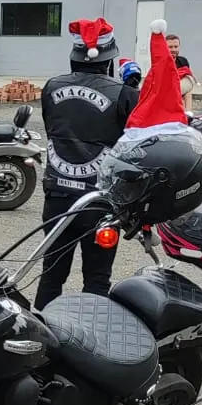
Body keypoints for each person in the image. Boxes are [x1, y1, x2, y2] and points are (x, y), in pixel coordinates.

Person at [34, 17, 139, 310]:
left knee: (51, 276)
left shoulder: (51, 87)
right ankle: (91, 347)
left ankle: (42, 341)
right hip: (101, 200)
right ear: (108, 59)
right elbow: (135, 143)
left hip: (57, 196)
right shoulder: (124, 94)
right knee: (96, 278)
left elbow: (50, 126)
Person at [165, 33, 197, 112]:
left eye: (176, 47)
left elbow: (188, 78)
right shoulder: (161, 62)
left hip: (179, 90)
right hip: (166, 93)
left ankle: (188, 113)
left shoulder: (183, 61)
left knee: (188, 89)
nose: (173, 50)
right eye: (170, 47)